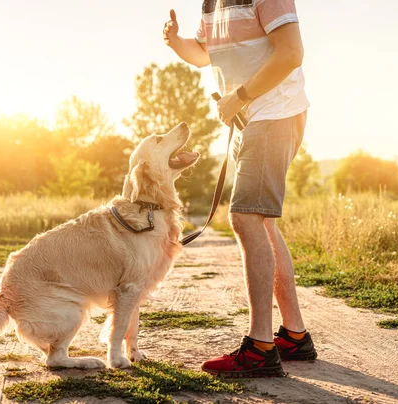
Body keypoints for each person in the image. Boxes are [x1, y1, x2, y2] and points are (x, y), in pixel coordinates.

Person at [163, 0, 317, 378]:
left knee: (245, 218)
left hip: (272, 113)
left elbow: (292, 53)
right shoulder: (211, 3)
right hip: (248, 118)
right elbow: (204, 56)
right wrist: (177, 42)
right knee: (260, 222)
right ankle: (294, 336)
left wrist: (241, 96)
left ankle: (260, 347)